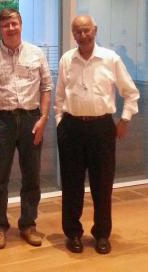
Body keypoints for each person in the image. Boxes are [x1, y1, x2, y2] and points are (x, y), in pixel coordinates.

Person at [54, 15, 140, 254]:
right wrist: (61, 124)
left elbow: (130, 93)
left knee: (103, 184)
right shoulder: (66, 60)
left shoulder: (110, 59)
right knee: (71, 185)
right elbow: (59, 97)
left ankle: (102, 234)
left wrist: (124, 119)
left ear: (95, 30)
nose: (83, 35)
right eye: (78, 32)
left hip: (101, 129)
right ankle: (73, 233)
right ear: (73, 34)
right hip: (71, 128)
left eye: (86, 30)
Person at [0, 8, 53, 249]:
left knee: (32, 175)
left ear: (21, 25)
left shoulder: (36, 54)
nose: (10, 28)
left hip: (31, 119)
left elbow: (46, 87)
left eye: (14, 23)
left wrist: (44, 118)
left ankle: (28, 224)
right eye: (5, 25)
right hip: (2, 122)